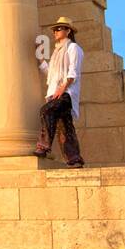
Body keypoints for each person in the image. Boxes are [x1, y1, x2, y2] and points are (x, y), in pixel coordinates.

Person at [35, 16, 85, 167]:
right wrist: (39, 57)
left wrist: (62, 88)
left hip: (66, 93)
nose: (55, 32)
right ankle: (74, 159)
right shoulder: (57, 52)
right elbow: (51, 73)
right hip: (56, 92)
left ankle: (43, 147)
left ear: (68, 31)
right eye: (55, 29)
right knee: (65, 127)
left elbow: (73, 72)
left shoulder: (73, 48)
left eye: (59, 28)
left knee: (46, 111)